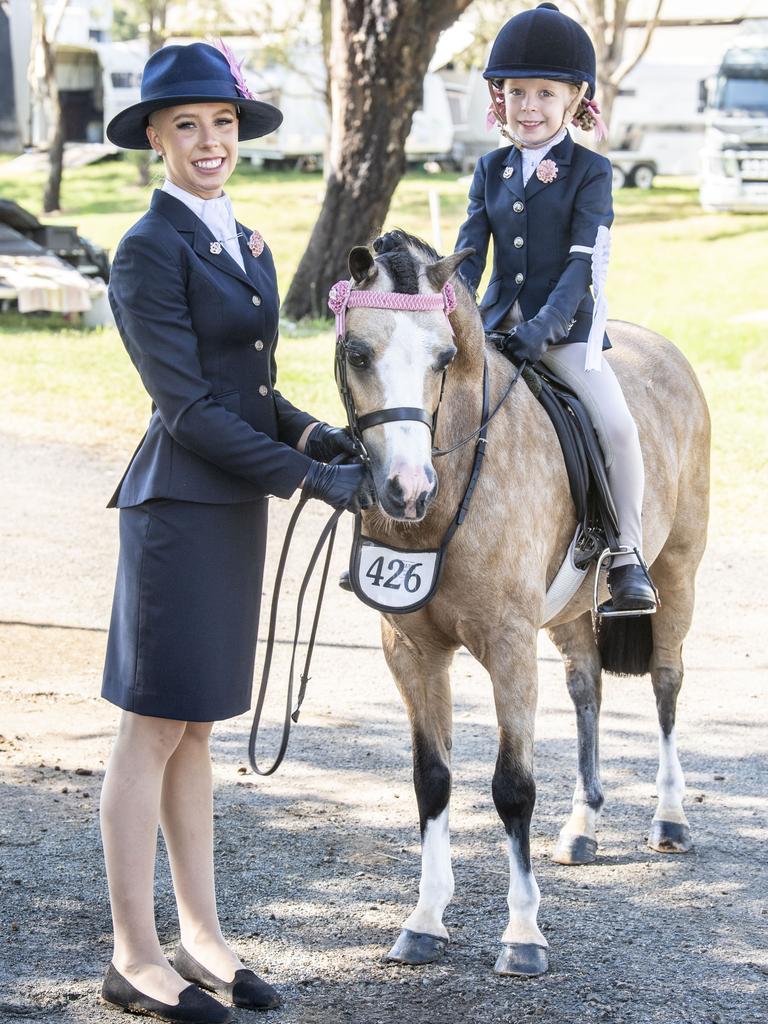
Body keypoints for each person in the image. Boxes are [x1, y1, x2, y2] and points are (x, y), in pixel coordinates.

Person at [99, 41, 371, 1024]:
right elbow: (189, 409)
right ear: (158, 141)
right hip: (178, 509)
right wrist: (311, 478)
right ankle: (133, 952)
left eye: (221, 123)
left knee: (196, 725)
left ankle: (202, 935)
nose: (209, 142)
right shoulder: (147, 247)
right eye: (187, 126)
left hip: (231, 510)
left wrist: (318, 431)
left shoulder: (246, 241)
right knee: (152, 725)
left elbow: (248, 390)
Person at [454, 1, 657, 612]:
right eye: (518, 93)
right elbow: (469, 255)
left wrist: (542, 330)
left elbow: (580, 266)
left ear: (574, 99)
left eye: (545, 93)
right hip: (494, 330)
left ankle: (626, 554)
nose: (530, 108)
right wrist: (444, 305)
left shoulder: (591, 172)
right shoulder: (490, 169)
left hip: (565, 335)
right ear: (500, 98)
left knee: (618, 428)